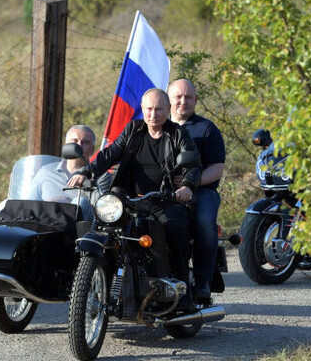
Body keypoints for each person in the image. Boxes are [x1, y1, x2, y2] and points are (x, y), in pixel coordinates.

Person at [67, 88, 200, 291]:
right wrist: (86, 172)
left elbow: (193, 165)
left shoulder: (178, 134)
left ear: (168, 109)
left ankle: (182, 289)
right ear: (142, 109)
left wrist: (187, 186)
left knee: (174, 228)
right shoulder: (132, 129)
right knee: (104, 226)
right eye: (149, 109)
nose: (153, 114)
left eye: (158, 109)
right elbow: (109, 155)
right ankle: (100, 279)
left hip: (165, 200)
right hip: (128, 200)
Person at [168, 78, 226, 303]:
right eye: (178, 97)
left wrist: (190, 183)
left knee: (204, 222)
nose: (183, 101)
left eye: (188, 97)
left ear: (196, 100)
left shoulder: (207, 129)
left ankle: (203, 281)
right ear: (169, 99)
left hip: (202, 192)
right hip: (164, 191)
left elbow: (217, 168)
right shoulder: (157, 127)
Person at [28, 125, 96, 220]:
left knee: (80, 202)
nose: (79, 145)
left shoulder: (100, 176)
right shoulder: (46, 172)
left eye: (85, 142)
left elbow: (104, 211)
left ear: (92, 149)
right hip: (47, 224)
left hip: (81, 227)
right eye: (74, 141)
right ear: (66, 145)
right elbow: (27, 203)